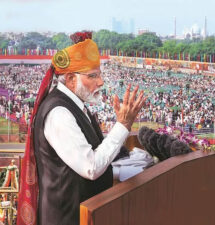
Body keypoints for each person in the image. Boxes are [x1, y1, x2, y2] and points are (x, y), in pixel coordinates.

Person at [17, 32, 146, 225]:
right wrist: (122, 125)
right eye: (93, 76)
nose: (100, 82)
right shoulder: (59, 114)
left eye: (99, 74)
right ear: (70, 79)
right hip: (65, 218)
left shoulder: (77, 105)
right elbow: (90, 167)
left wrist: (122, 171)